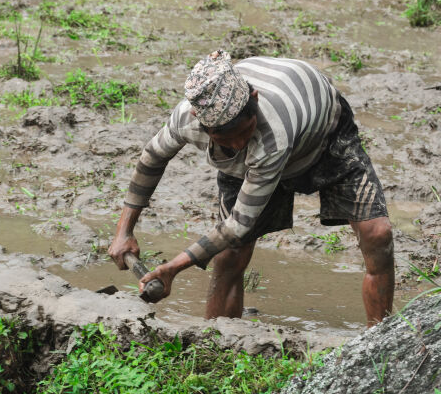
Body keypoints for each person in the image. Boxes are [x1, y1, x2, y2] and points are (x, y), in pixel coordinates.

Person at [108, 50, 394, 327]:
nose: (237, 145)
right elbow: (151, 161)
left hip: (324, 132)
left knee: (377, 233)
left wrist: (172, 269)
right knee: (230, 255)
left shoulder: (272, 137)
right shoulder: (187, 119)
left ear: (254, 100)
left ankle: (379, 339)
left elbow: (237, 226)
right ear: (199, 120)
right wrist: (124, 232)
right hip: (262, 151)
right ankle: (218, 340)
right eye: (224, 139)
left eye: (244, 132)